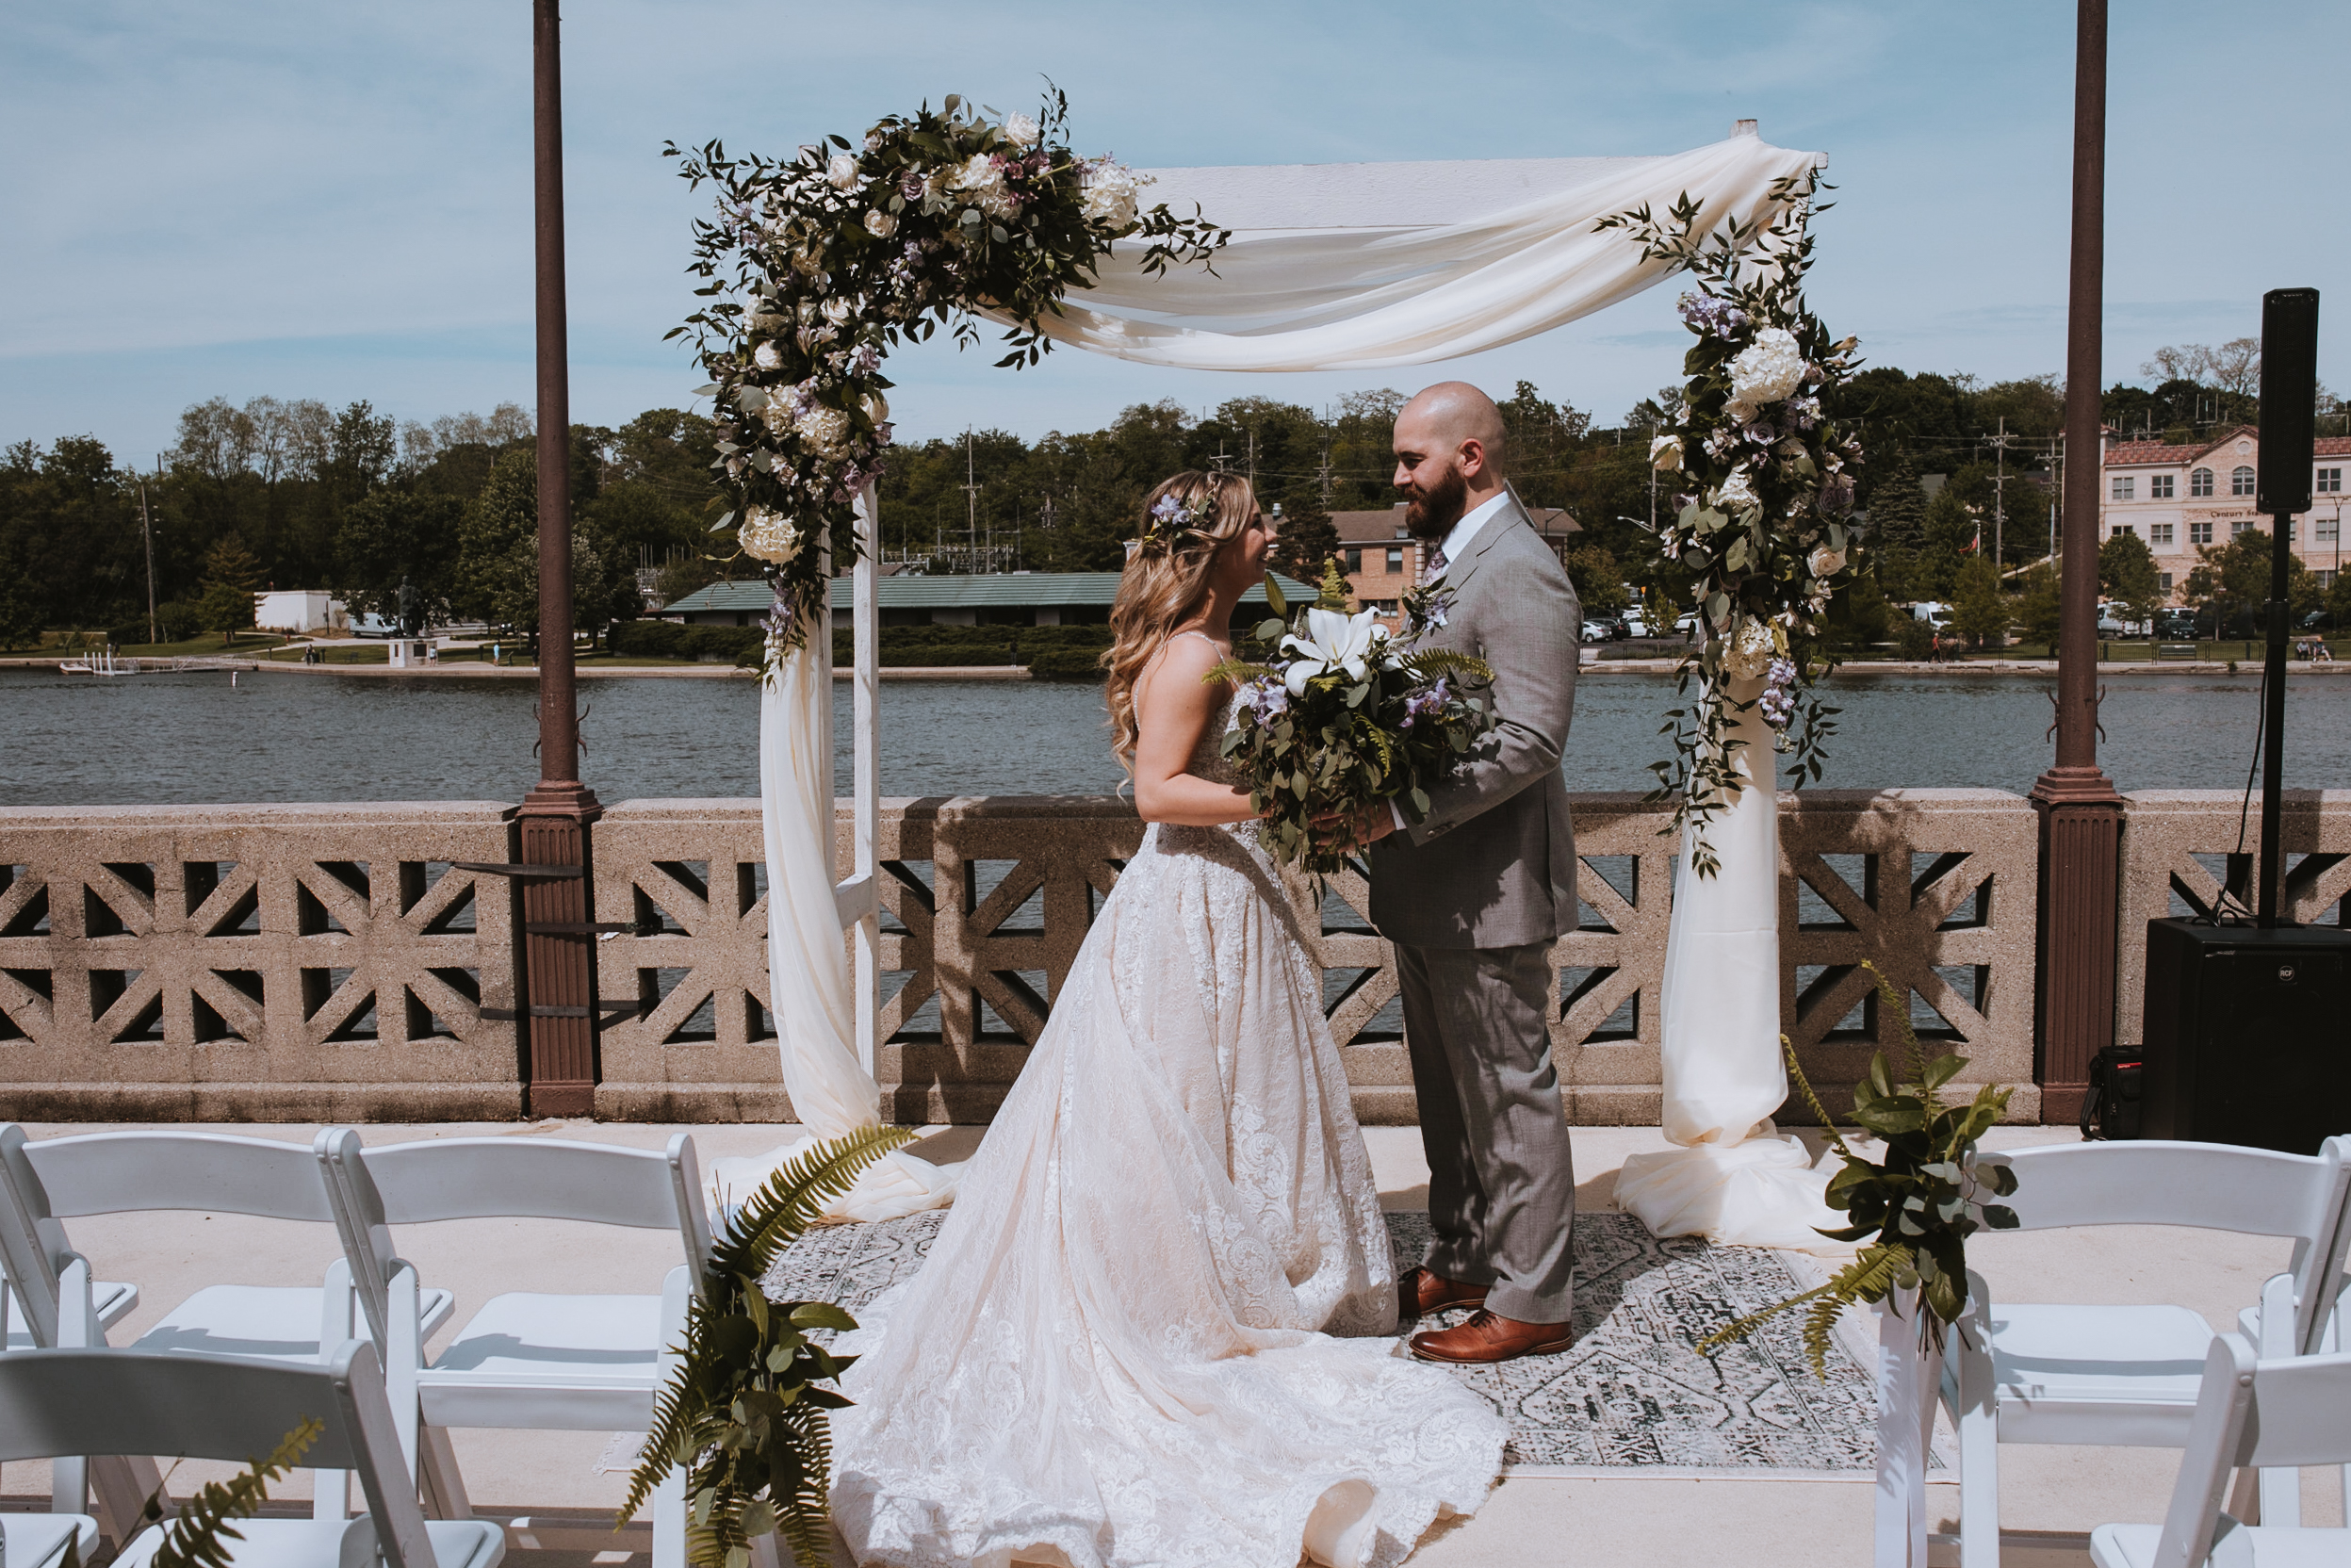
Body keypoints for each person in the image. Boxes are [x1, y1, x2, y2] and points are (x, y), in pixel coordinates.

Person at [828, 470, 1504, 1568]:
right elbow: (1155, 789)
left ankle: (1230, 1249)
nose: (1273, 530)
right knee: (1192, 1093)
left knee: (1220, 1094)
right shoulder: (1192, 652)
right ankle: (1189, 1285)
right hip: (1192, 886)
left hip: (1210, 885)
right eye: (1256, 520)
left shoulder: (1213, 642)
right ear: (1217, 545)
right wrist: (1287, 803)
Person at [1326, 383, 1582, 1366]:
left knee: (1509, 1093)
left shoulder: (1520, 568)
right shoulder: (1453, 558)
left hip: (1489, 885)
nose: (1396, 479)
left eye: (1409, 460)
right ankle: (1467, 1253)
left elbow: (1529, 736)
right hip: (1432, 887)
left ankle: (1534, 1296)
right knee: (1450, 1094)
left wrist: (1390, 810)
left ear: (1468, 456)